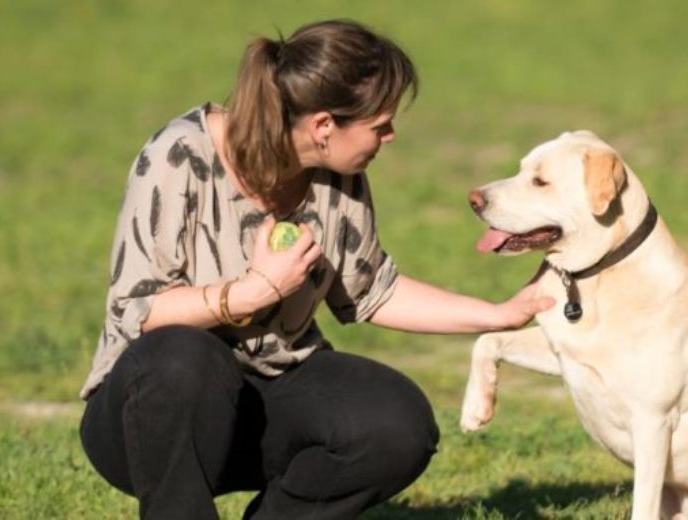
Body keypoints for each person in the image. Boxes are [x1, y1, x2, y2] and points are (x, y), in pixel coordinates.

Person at [78, 19, 553, 520]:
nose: (390, 137)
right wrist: (250, 292)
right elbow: (137, 309)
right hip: (150, 417)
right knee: (182, 355)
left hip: (263, 404)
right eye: (380, 124)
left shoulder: (339, 178)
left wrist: (498, 314)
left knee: (396, 423)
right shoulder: (179, 155)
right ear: (324, 126)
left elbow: (372, 291)